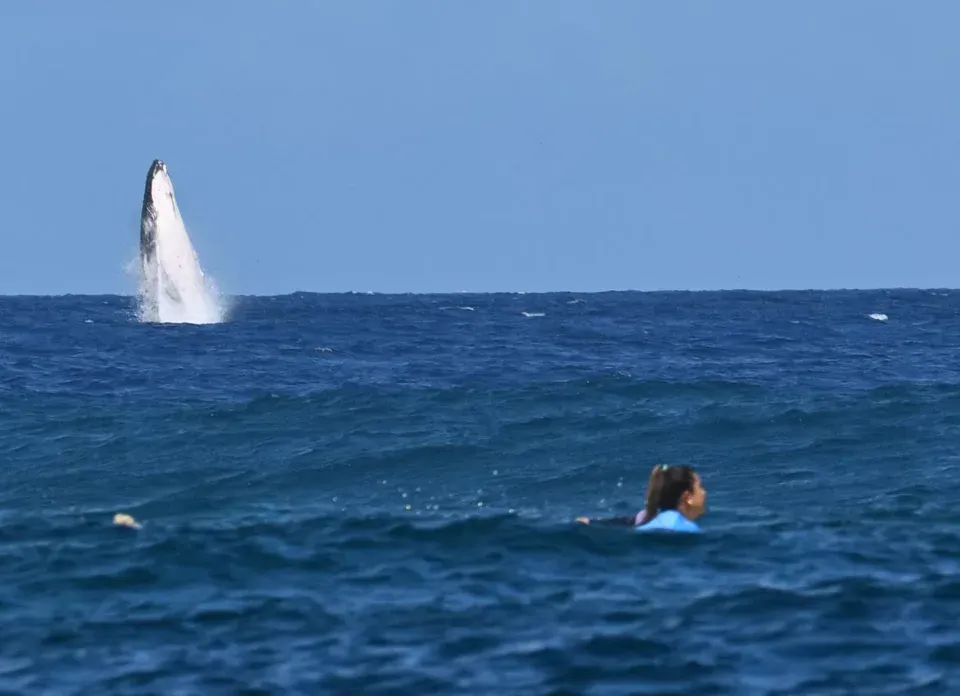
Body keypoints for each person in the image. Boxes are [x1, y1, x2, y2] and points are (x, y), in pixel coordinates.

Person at [576, 464, 707, 533]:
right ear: (687, 497)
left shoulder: (646, 517)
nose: (704, 493)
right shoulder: (685, 528)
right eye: (700, 487)